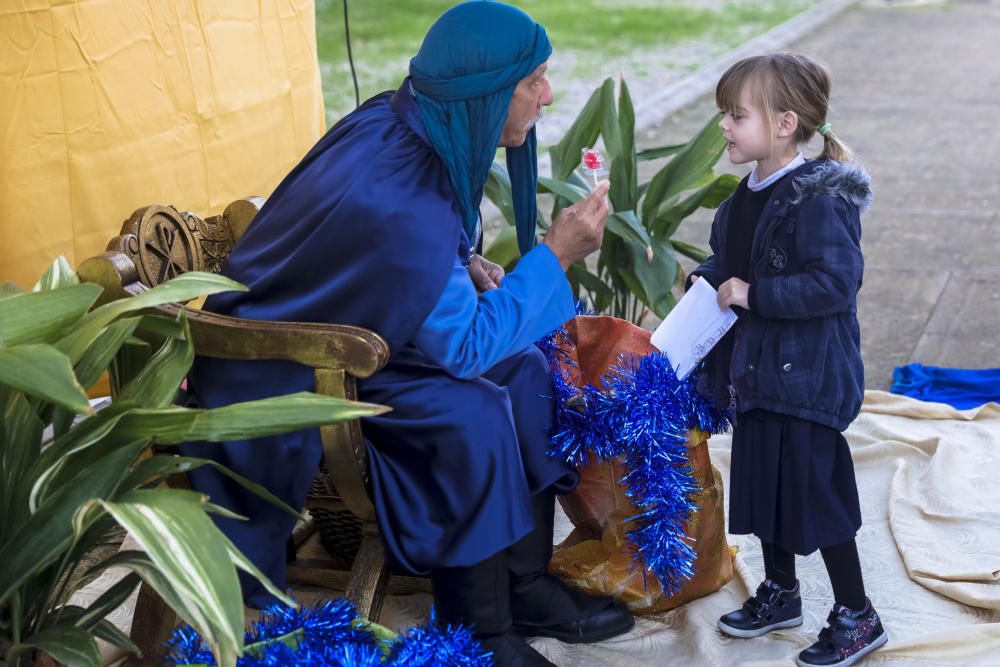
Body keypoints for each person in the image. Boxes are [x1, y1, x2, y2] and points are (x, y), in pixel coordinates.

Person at [179, 2, 633, 664]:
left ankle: (523, 584)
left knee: (527, 372)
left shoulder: (403, 125)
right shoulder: (407, 194)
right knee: (473, 405)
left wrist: (457, 263)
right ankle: (476, 627)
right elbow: (463, 347)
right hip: (295, 370)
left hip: (359, 328)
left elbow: (399, 257)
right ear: (482, 96)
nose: (548, 95)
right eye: (532, 81)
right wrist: (556, 255)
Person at [688, 53, 886, 667]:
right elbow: (732, 260)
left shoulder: (818, 200)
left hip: (807, 379)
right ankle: (781, 592)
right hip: (758, 375)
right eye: (725, 113)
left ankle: (858, 616)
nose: (723, 126)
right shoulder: (745, 196)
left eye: (736, 115)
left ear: (783, 124)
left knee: (815, 495)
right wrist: (707, 280)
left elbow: (835, 284)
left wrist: (755, 294)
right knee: (767, 487)